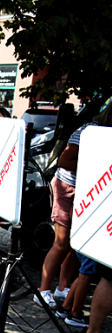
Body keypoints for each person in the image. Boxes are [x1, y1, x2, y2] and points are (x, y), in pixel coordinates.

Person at [35, 103, 112, 310]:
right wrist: (94, 168)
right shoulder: (88, 131)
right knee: (61, 243)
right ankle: (42, 291)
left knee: (76, 243)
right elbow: (64, 160)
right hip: (67, 187)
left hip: (86, 190)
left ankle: (62, 287)